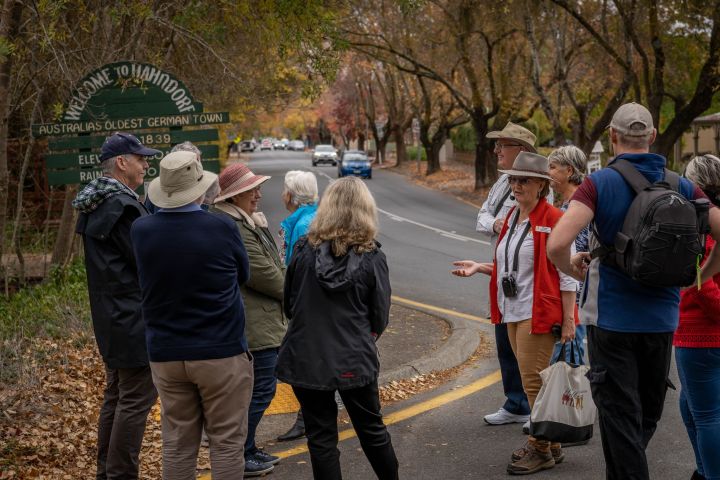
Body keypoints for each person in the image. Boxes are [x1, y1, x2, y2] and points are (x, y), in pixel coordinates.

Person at [547, 102, 720, 480]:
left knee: (620, 416)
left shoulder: (597, 184)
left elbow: (556, 245)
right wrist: (701, 275)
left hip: (611, 321)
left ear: (612, 136)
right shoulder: (682, 185)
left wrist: (573, 272)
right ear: (653, 136)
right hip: (662, 322)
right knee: (643, 416)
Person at [453, 152, 578, 475]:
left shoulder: (553, 219)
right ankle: (551, 443)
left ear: (541, 185)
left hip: (539, 311)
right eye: (512, 179)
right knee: (531, 381)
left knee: (533, 383)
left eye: (523, 179)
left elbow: (568, 274)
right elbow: (512, 267)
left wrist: (568, 319)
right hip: (512, 309)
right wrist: (480, 267)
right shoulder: (511, 218)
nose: (515, 184)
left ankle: (539, 449)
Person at [130, 151, 253, 479]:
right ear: (199, 188)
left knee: (178, 444)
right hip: (220, 350)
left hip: (166, 352)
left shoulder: (141, 231)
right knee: (226, 443)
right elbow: (244, 275)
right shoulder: (221, 226)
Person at [276, 177, 399, 480]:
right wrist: (363, 338)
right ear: (365, 209)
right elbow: (379, 315)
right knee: (372, 430)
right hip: (353, 355)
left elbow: (290, 304)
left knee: (320, 438)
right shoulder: (372, 257)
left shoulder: (304, 251)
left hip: (306, 355)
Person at [72, 132, 160, 480]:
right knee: (135, 399)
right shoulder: (121, 207)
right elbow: (145, 263)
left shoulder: (97, 202)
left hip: (112, 318)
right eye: (140, 159)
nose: (146, 164)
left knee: (117, 395)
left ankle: (107, 471)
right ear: (122, 162)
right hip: (132, 318)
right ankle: (120, 474)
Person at [211, 162, 286, 477]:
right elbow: (266, 275)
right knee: (261, 390)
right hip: (255, 325)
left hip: (261, 321)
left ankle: (248, 448)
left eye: (257, 188)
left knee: (259, 389)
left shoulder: (247, 221)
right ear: (235, 196)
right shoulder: (237, 228)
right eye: (251, 190)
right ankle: (240, 454)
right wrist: (295, 291)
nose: (258, 194)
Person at [476, 122, 553, 431]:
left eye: (502, 145)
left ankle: (538, 415)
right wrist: (495, 225)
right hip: (503, 274)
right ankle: (516, 403)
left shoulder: (539, 197)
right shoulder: (502, 183)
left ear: (521, 151)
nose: (496, 151)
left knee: (530, 355)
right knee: (505, 343)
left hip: (528, 282)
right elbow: (482, 216)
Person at [675, 155, 720, 480]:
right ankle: (704, 471)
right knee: (690, 409)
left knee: (707, 416)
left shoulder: (704, 224)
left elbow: (703, 284)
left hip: (701, 334)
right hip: (695, 332)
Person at [276, 170, 319, 442]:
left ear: (291, 195)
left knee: (305, 362)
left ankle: (308, 418)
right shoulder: (306, 219)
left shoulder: (304, 225)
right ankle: (309, 416)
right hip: (308, 303)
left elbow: (299, 269)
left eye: (284, 189)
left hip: (307, 305)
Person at [547, 146, 589, 365]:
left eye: (552, 167)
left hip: (577, 300)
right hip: (570, 297)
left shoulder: (579, 207)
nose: (548, 173)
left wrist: (569, 316)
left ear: (569, 171)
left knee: (570, 367)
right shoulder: (568, 204)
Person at [144, 141, 219, 213]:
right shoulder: (206, 188)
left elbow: (146, 215)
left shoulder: (155, 192)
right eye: (195, 162)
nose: (198, 165)